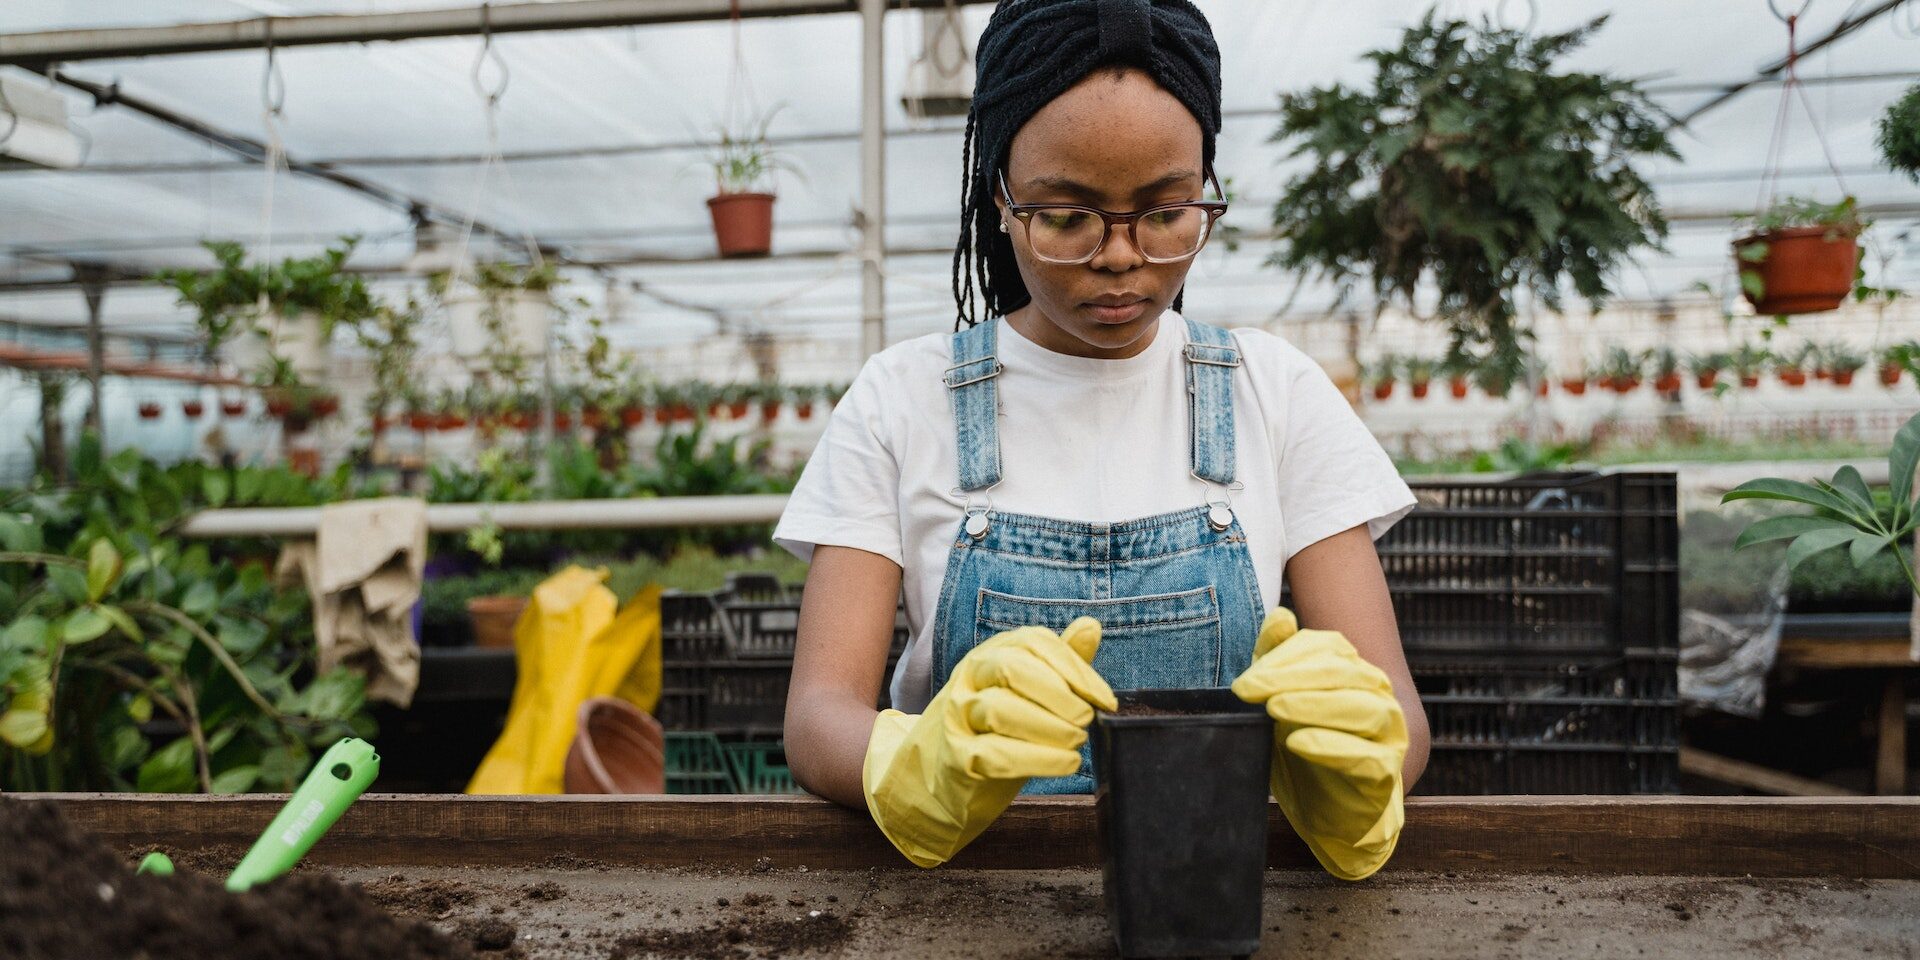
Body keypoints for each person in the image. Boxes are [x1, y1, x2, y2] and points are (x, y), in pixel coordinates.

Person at [773, 0, 1429, 881]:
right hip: (971, 902)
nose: (1121, 256)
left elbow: (1399, 714)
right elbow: (818, 713)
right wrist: (910, 761)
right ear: (999, 200)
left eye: (1165, 212)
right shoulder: (903, 399)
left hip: (1215, 895)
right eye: (1067, 216)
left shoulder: (1277, 393)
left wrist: (1356, 764)